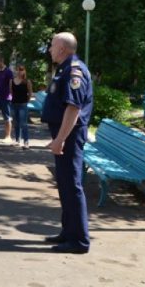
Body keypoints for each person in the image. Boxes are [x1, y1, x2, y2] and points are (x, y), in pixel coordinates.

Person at [41, 32, 93, 254]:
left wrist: (60, 140)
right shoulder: (63, 68)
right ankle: (68, 232)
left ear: (62, 48)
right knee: (64, 184)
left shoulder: (74, 71)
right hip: (64, 135)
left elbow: (73, 108)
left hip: (69, 136)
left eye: (52, 45)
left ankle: (79, 240)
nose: (50, 49)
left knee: (72, 185)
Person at [10, 64, 33, 149]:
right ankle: (17, 140)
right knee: (16, 123)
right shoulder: (11, 81)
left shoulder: (27, 81)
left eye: (21, 70)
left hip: (23, 105)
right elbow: (11, 92)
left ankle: (26, 142)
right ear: (15, 71)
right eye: (18, 70)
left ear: (24, 71)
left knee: (23, 124)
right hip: (13, 104)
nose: (20, 71)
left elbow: (30, 93)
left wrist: (27, 101)